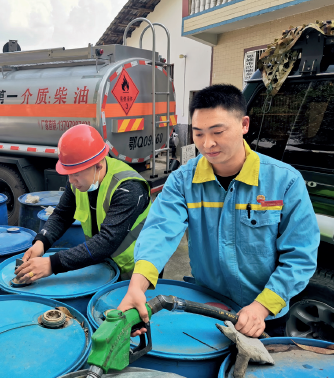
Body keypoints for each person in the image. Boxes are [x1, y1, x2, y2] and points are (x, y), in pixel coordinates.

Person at [118, 84, 319, 338]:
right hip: (209, 307)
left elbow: (300, 256)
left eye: (217, 132)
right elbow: (160, 230)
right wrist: (138, 284)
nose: (207, 144)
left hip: (264, 316)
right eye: (198, 133)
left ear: (244, 125)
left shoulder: (285, 182)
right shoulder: (183, 181)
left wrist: (261, 307)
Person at [15, 124, 152, 283]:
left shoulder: (128, 188)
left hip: (137, 271)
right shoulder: (78, 183)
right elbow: (61, 215)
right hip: (105, 265)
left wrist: (52, 264)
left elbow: (106, 241)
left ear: (98, 165)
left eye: (77, 174)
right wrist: (41, 242)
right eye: (68, 174)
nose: (71, 181)